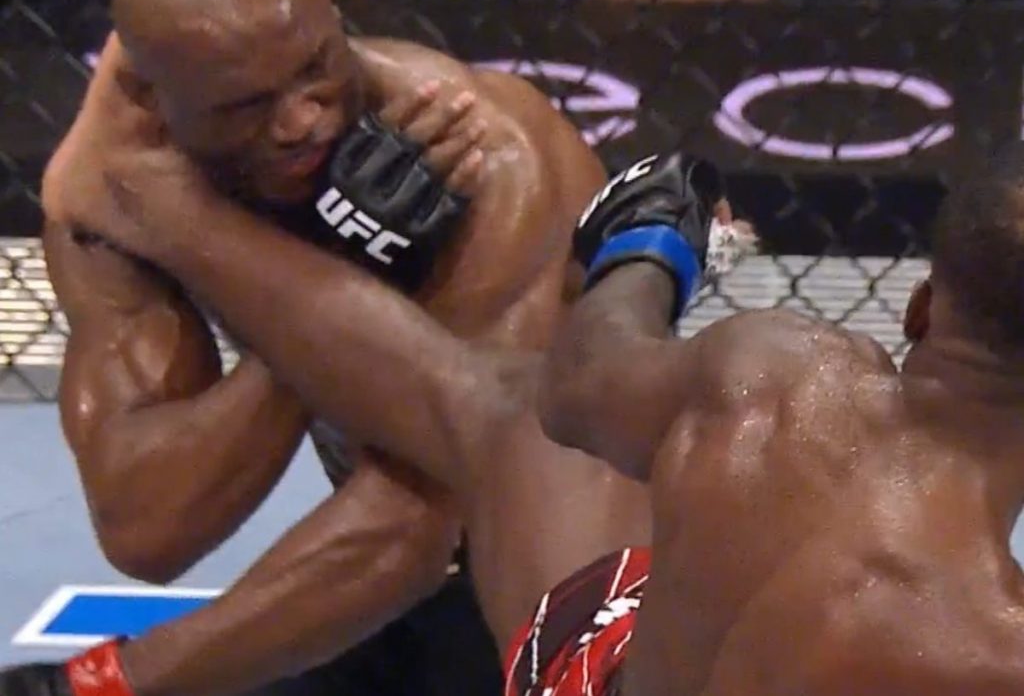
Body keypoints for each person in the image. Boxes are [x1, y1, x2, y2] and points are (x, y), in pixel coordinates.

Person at [26, 118, 1024, 696]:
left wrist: (646, 247)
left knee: (503, 412)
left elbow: (578, 386)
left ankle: (160, 207)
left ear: (921, 305)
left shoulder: (773, 372)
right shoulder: (994, 643)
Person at [23, 0, 651, 696]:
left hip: (603, 603)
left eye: (317, 65)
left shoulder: (483, 158)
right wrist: (327, 272)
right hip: (407, 613)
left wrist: (96, 683)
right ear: (154, 101)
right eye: (248, 104)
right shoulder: (127, 205)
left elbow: (424, 519)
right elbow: (146, 524)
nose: (304, 120)